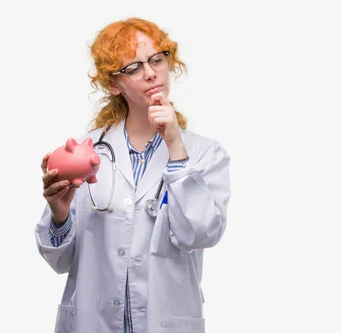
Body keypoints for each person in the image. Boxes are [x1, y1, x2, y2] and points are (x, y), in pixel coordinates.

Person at [35, 17, 231, 333]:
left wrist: (176, 147)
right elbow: (60, 261)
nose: (151, 72)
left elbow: (202, 234)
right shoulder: (87, 153)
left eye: (157, 59)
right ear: (114, 84)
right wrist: (59, 214)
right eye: (134, 67)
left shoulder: (206, 154)